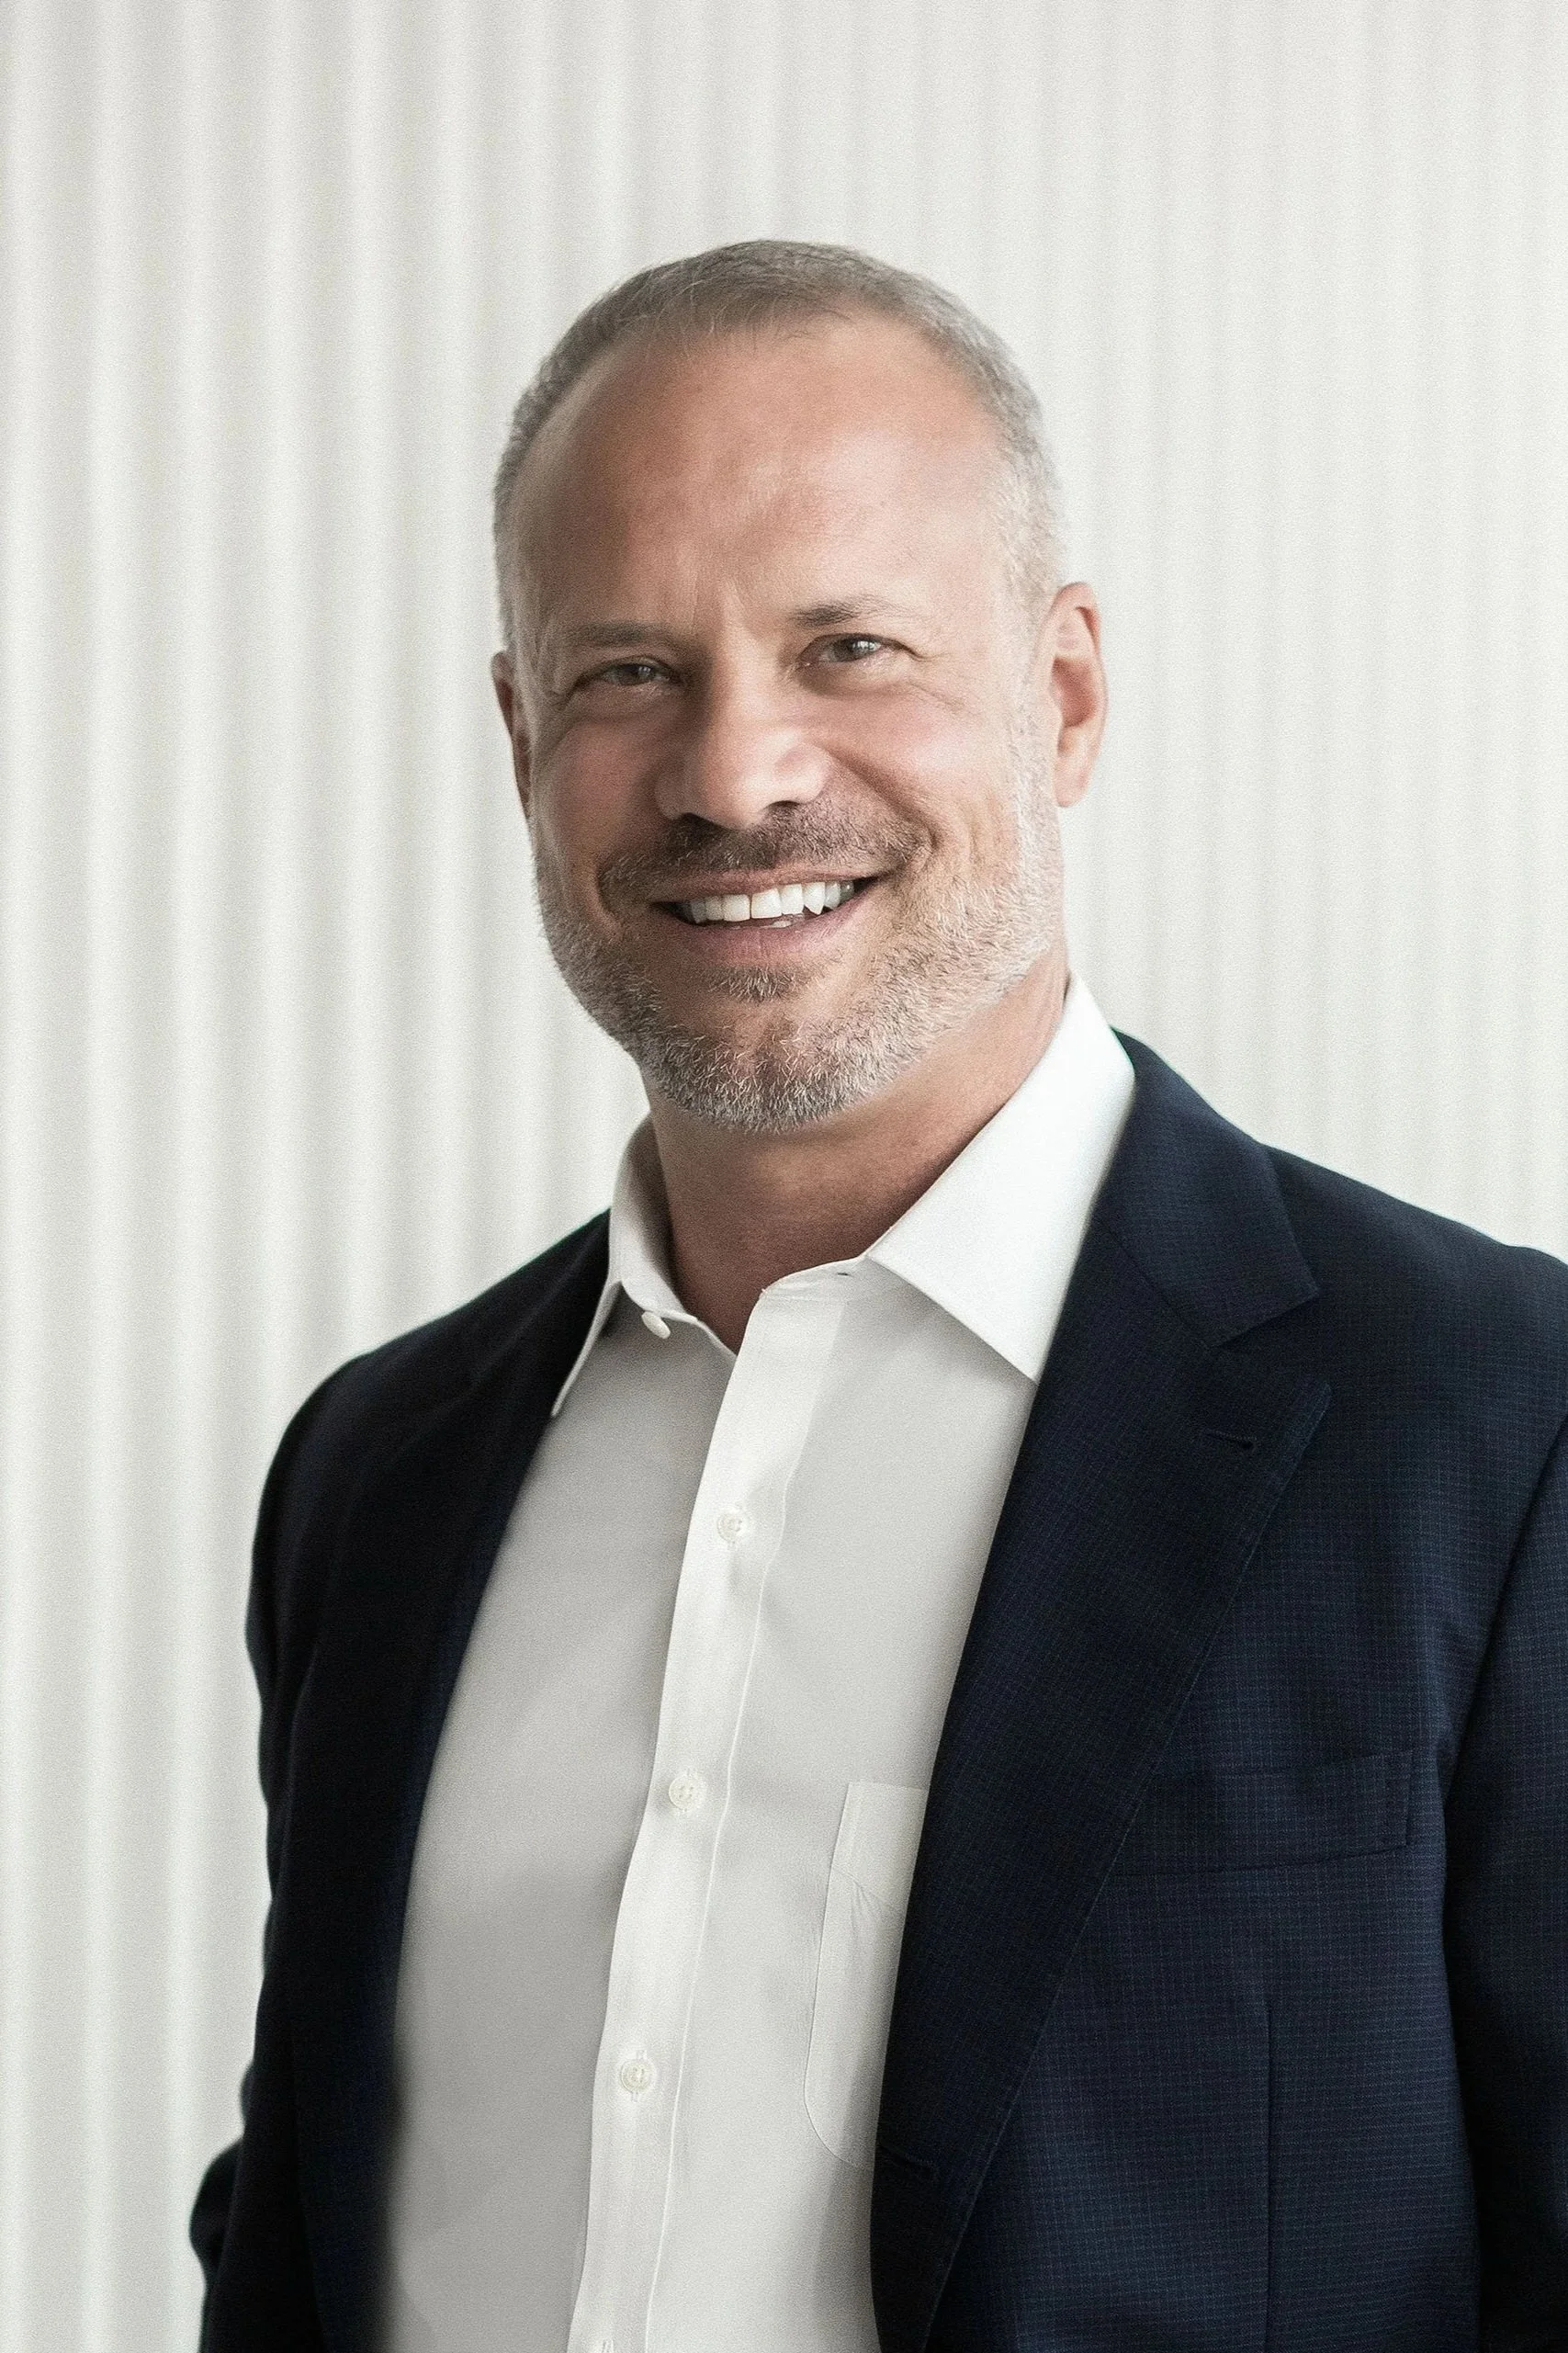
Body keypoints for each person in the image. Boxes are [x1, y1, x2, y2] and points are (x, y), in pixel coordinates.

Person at [191, 240, 1568, 2353]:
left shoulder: (1491, 1436)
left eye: (849, 645)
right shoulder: (376, 1476)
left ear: (1068, 691)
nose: (736, 774)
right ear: (517, 732)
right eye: (627, 671)